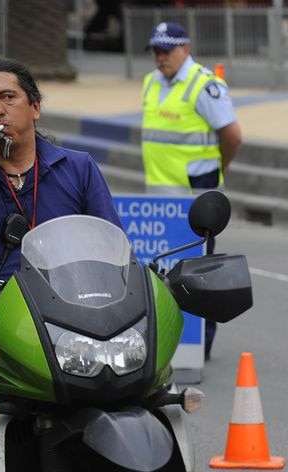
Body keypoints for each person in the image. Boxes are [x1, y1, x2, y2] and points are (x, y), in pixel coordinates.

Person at [0, 57, 123, 472]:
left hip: (71, 339)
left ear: (34, 107)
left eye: (8, 97)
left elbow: (115, 253)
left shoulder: (78, 169)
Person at [141, 21, 242, 360]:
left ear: (185, 48)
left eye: (166, 49)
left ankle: (200, 347)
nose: (160, 56)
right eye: (155, 49)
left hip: (195, 197)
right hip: (159, 198)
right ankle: (168, 343)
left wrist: (220, 168)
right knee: (161, 273)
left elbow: (233, 136)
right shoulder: (150, 83)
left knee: (199, 274)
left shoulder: (204, 86)